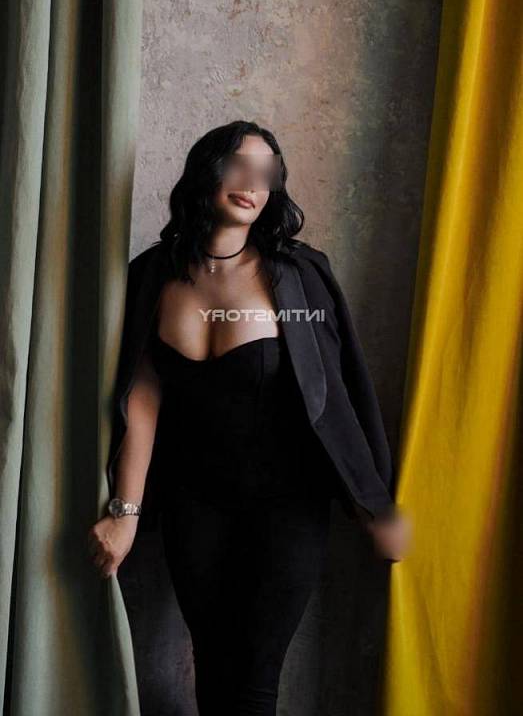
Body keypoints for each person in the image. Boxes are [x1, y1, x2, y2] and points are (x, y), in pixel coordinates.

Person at [88, 120, 412, 715]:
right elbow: (141, 397)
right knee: (213, 670)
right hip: (192, 503)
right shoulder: (152, 274)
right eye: (238, 164)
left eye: (266, 173)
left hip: (287, 505)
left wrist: (374, 504)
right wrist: (125, 514)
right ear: (206, 170)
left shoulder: (299, 274)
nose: (252, 182)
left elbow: (334, 395)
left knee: (256, 678)